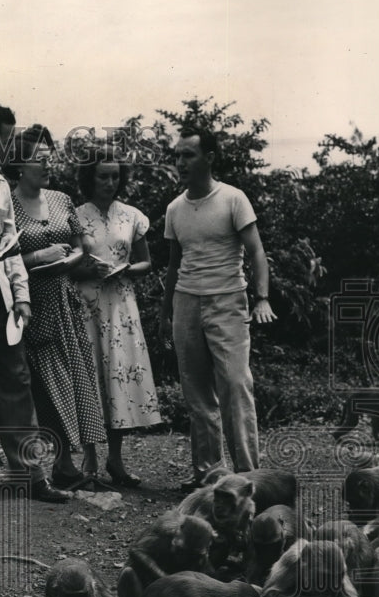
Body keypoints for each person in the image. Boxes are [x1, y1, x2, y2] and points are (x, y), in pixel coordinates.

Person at [0, 103, 73, 503]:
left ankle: (30, 474)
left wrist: (21, 296)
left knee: (17, 385)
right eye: (3, 138)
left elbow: (10, 245)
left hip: (3, 301)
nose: (8, 147)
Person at [159, 127, 276, 491]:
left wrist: (263, 298)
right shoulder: (175, 209)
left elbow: (256, 252)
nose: (180, 163)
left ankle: (247, 477)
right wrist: (166, 313)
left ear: (209, 157)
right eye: (177, 156)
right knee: (196, 395)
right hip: (186, 303)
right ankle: (210, 478)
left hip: (228, 301)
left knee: (235, 386)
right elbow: (174, 266)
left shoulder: (233, 199)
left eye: (188, 155)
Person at [9, 125, 107, 490]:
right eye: (39, 159)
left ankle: (67, 463)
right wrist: (37, 256)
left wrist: (70, 259)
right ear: (20, 164)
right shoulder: (8, 202)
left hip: (65, 300)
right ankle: (43, 468)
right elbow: (5, 253)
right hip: (31, 304)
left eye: (50, 158)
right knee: (42, 387)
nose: (47, 166)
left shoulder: (61, 199)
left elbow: (82, 245)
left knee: (75, 379)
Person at [74, 150, 162, 487]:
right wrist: (87, 267)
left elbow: (146, 262)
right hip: (87, 303)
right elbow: (71, 264)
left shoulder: (131, 216)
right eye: (102, 176)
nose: (110, 183)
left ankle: (116, 460)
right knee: (91, 377)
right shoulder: (76, 216)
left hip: (121, 306)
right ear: (89, 178)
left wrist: (125, 269)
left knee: (117, 379)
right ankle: (90, 461)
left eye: (114, 176)